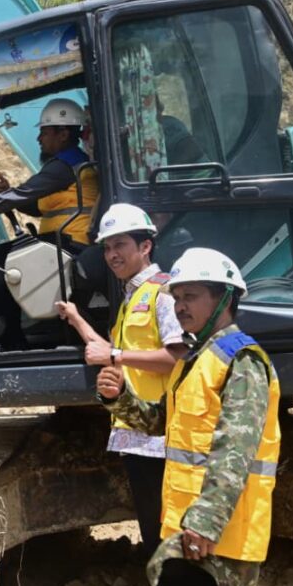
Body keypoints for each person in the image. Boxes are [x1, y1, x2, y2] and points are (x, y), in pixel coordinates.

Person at [96, 248, 280, 586]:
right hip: (186, 527)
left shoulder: (240, 360)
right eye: (177, 298)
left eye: (190, 296)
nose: (180, 307)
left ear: (224, 298)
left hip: (219, 534)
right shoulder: (195, 361)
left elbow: (235, 452)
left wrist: (206, 521)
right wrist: (119, 398)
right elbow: (160, 423)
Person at [55, 203, 187, 558]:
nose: (112, 255)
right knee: (153, 535)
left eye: (121, 245)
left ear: (145, 246)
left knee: (168, 536)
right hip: (137, 435)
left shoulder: (163, 292)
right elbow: (111, 351)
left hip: (162, 437)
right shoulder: (132, 297)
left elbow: (177, 356)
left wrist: (114, 356)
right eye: (108, 248)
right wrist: (77, 320)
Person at [0, 98, 99, 350]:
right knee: (5, 257)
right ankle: (11, 334)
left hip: (72, 244)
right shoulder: (68, 166)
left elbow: (24, 193)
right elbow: (35, 205)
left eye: (44, 132)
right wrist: (8, 195)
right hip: (62, 241)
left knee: (1, 259)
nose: (39, 138)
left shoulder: (65, 165)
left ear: (63, 134)